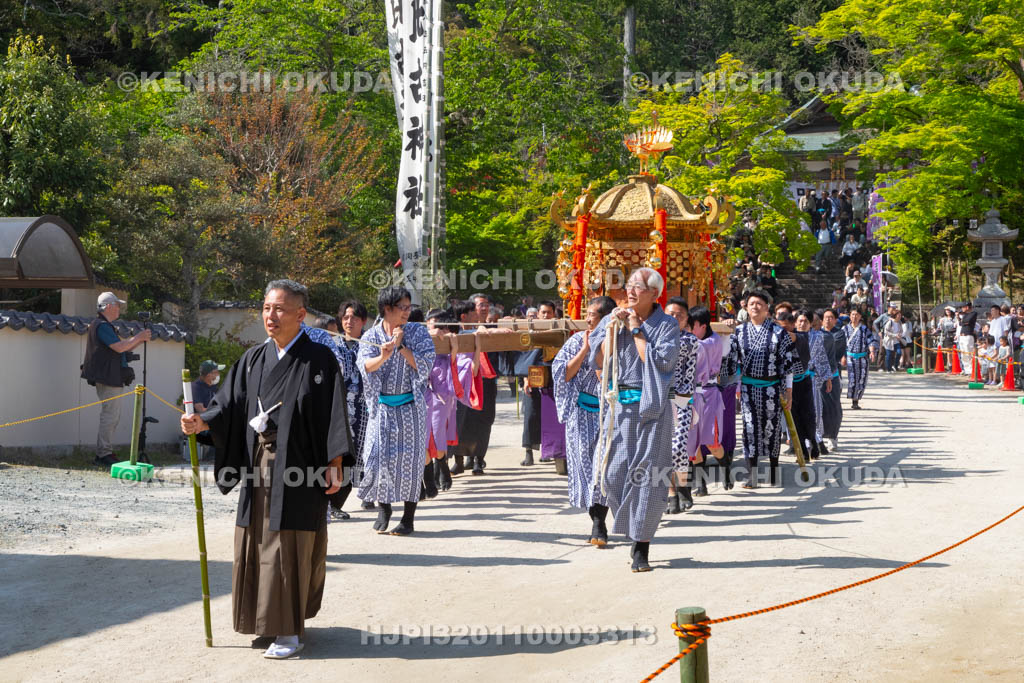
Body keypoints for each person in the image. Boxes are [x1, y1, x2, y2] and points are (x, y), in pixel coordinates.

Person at [180, 279, 351, 660]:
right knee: (254, 538)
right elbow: (228, 406)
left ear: (300, 315)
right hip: (259, 464)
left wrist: (336, 462)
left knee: (287, 543)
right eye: (266, 308)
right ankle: (264, 623)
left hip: (300, 468)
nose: (270, 316)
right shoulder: (253, 359)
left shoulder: (319, 360)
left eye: (280, 309)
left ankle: (288, 631)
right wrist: (202, 422)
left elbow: (333, 414)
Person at [589, 267, 679, 572]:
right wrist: (613, 331)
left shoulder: (666, 325)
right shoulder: (610, 319)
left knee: (649, 477)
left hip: (652, 409)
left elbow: (662, 362)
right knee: (612, 475)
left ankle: (642, 546)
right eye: (628, 286)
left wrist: (637, 327)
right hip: (619, 409)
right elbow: (599, 360)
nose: (630, 291)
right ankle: (630, 527)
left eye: (638, 287)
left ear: (654, 293)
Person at [356, 286, 435, 535]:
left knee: (410, 462)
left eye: (409, 307)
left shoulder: (417, 333)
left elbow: (425, 365)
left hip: (410, 407)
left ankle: (408, 518)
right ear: (387, 309)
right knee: (378, 458)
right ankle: (384, 508)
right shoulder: (372, 335)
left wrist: (401, 347)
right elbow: (365, 366)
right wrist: (383, 355)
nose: (407, 312)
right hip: (382, 408)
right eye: (402, 308)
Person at [552, 295, 616, 546]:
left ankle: (600, 523)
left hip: (611, 414)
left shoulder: (621, 342)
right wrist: (584, 350)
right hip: (581, 413)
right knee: (583, 468)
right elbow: (562, 374)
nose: (588, 319)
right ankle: (596, 520)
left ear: (607, 319)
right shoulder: (577, 340)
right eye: (587, 314)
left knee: (604, 467)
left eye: (593, 315)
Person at [722, 289, 795, 488]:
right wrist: (726, 332)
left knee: (771, 429)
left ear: (767, 308)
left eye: (759, 303)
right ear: (745, 307)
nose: (755, 306)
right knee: (750, 428)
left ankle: (773, 469)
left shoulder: (779, 332)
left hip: (772, 387)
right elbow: (728, 358)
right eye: (752, 303)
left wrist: (788, 392)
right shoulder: (738, 331)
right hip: (747, 388)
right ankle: (751, 474)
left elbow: (788, 365)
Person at [81, 292, 151, 467]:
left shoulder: (103, 325)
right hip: (108, 377)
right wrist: (138, 338)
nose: (120, 308)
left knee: (112, 415)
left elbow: (120, 348)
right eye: (117, 305)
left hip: (109, 376)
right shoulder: (102, 326)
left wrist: (138, 340)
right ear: (109, 306)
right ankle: (103, 453)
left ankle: (105, 451)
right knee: (110, 415)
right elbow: (119, 347)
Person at [425, 309, 477, 494]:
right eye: (432, 324)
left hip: (442, 398)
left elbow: (461, 372)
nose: (437, 330)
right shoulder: (424, 343)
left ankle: (442, 467)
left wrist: (454, 353)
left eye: (441, 327)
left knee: (437, 435)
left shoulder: (454, 344)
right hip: (423, 396)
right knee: (424, 438)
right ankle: (432, 476)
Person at [452, 294, 500, 475]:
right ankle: (459, 460)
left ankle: (479, 460)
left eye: (487, 305)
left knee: (483, 421)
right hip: (462, 383)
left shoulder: (493, 327)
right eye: (480, 305)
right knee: (461, 421)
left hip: (486, 381)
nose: (484, 308)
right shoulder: (454, 330)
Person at [684, 306, 727, 496]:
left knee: (712, 441)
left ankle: (725, 467)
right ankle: (701, 484)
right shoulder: (706, 339)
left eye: (691, 326)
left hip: (709, 393)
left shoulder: (709, 342)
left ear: (702, 325)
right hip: (691, 394)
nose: (689, 331)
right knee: (692, 442)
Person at [664, 297, 699, 514]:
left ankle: (684, 485)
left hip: (681, 400)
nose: (675, 318)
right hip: (657, 401)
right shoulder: (652, 338)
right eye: (670, 314)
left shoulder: (690, 341)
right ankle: (671, 493)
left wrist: (683, 397)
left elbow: (690, 372)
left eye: (680, 315)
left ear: (686, 319)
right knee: (663, 450)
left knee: (677, 448)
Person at [338, 300, 372, 511]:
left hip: (365, 406)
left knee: (368, 451)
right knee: (341, 454)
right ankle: (336, 502)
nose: (349, 322)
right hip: (340, 407)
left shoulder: (371, 344)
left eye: (354, 318)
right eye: (345, 317)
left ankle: (369, 492)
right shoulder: (333, 344)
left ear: (363, 321)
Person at [841, 307, 879, 409]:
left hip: (863, 358)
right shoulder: (844, 329)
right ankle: (854, 401)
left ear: (860, 316)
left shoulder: (864, 329)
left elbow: (871, 340)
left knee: (862, 378)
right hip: (850, 357)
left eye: (857, 314)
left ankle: (857, 399)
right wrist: (843, 356)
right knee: (852, 379)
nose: (854, 316)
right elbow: (841, 344)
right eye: (853, 314)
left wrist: (872, 351)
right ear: (850, 315)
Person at [819, 309, 845, 451]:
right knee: (818, 407)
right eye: (825, 317)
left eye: (831, 317)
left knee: (833, 406)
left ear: (835, 320)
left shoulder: (839, 334)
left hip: (833, 374)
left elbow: (835, 353)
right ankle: (819, 436)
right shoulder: (817, 333)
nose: (828, 320)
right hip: (815, 376)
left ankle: (833, 436)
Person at [956, 302, 978, 376]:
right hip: (962, 335)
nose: (962, 309)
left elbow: (967, 321)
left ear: (967, 307)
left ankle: (971, 370)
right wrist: (958, 318)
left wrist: (962, 321)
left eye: (963, 307)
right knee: (963, 354)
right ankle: (966, 370)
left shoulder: (973, 313)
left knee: (968, 353)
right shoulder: (964, 315)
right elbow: (961, 324)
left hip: (968, 335)